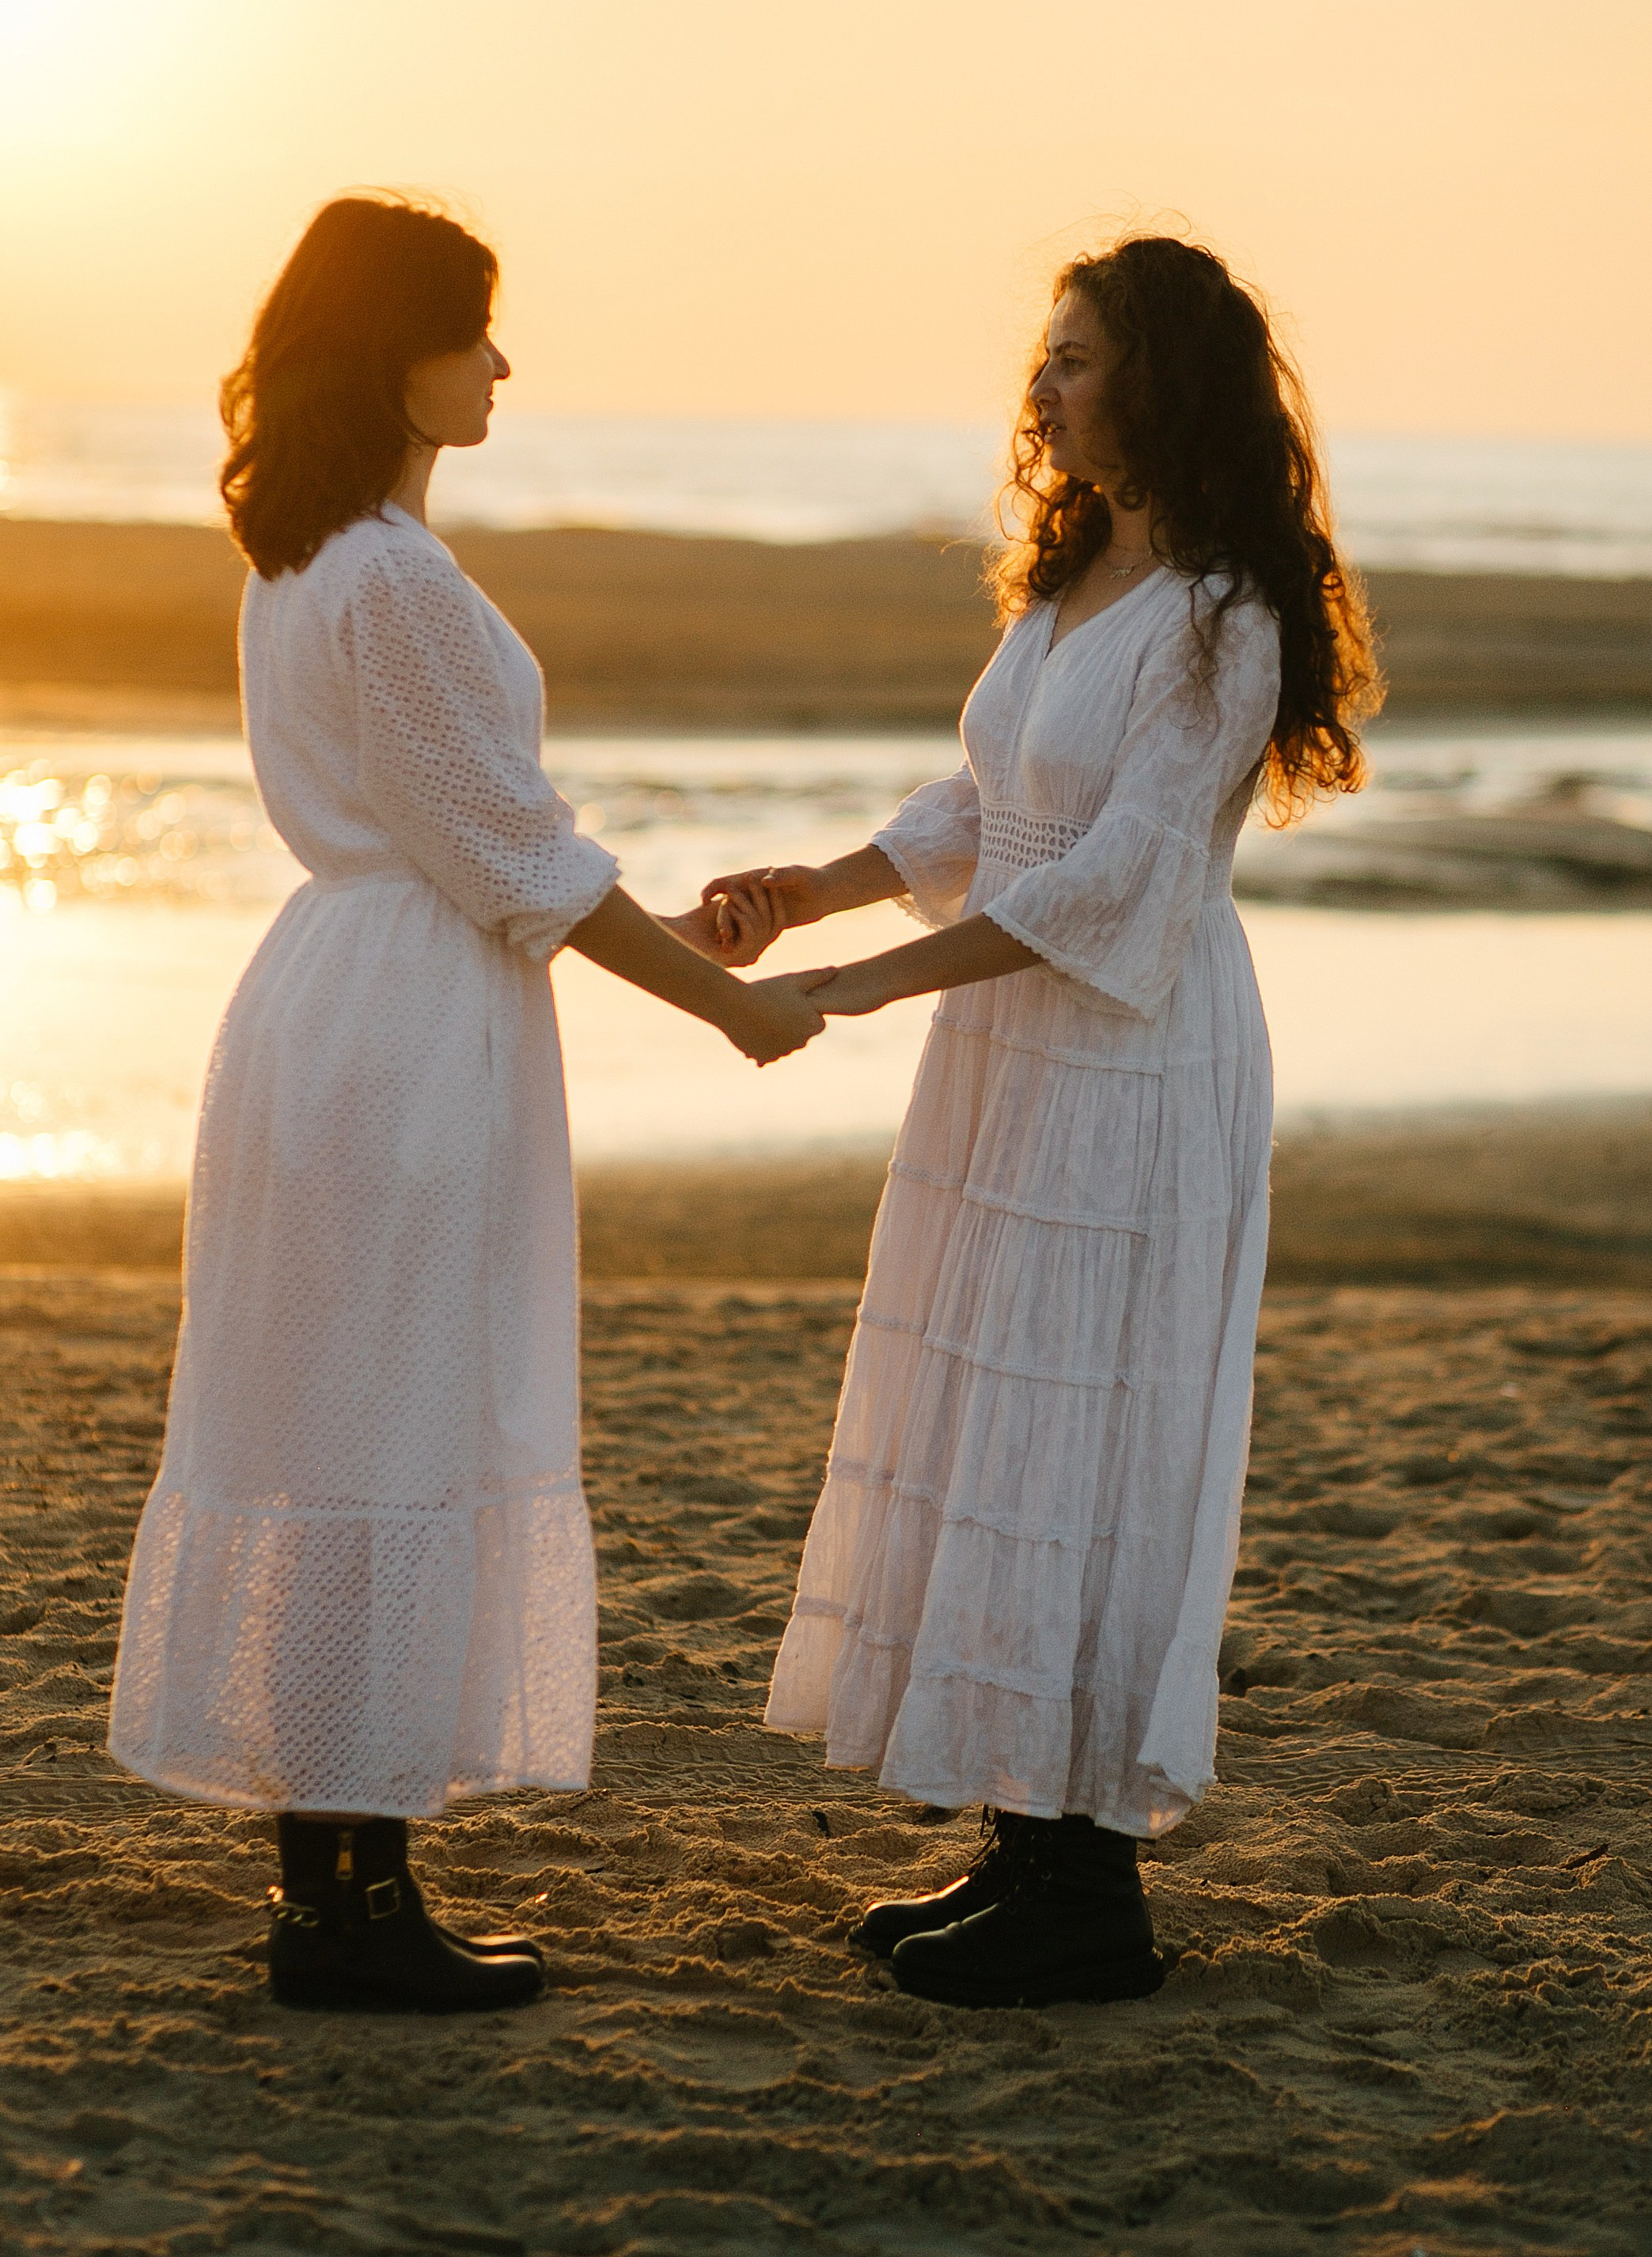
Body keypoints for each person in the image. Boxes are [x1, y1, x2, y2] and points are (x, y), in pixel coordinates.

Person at [107, 195, 826, 2015]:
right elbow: (515, 857)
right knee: (395, 1428)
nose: (504, 363)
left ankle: (337, 1887)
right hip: (407, 1028)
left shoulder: (307, 558)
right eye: (476, 329)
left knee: (348, 1425)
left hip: (335, 999)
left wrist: (663, 928)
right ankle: (355, 1902)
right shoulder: (391, 577)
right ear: (395, 349)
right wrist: (727, 1000)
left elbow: (493, 842)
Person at [707, 233, 1379, 2009]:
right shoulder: (1074, 574)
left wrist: (862, 990)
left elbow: (1122, 877)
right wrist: (815, 892)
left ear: (1163, 376)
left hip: (1130, 1056)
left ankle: (1092, 1893)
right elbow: (984, 801)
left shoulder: (1229, 607)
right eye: (1047, 354)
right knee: (995, 1413)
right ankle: (1023, 1841)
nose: (1046, 382)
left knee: (1085, 1432)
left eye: (1079, 354)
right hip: (1007, 1049)